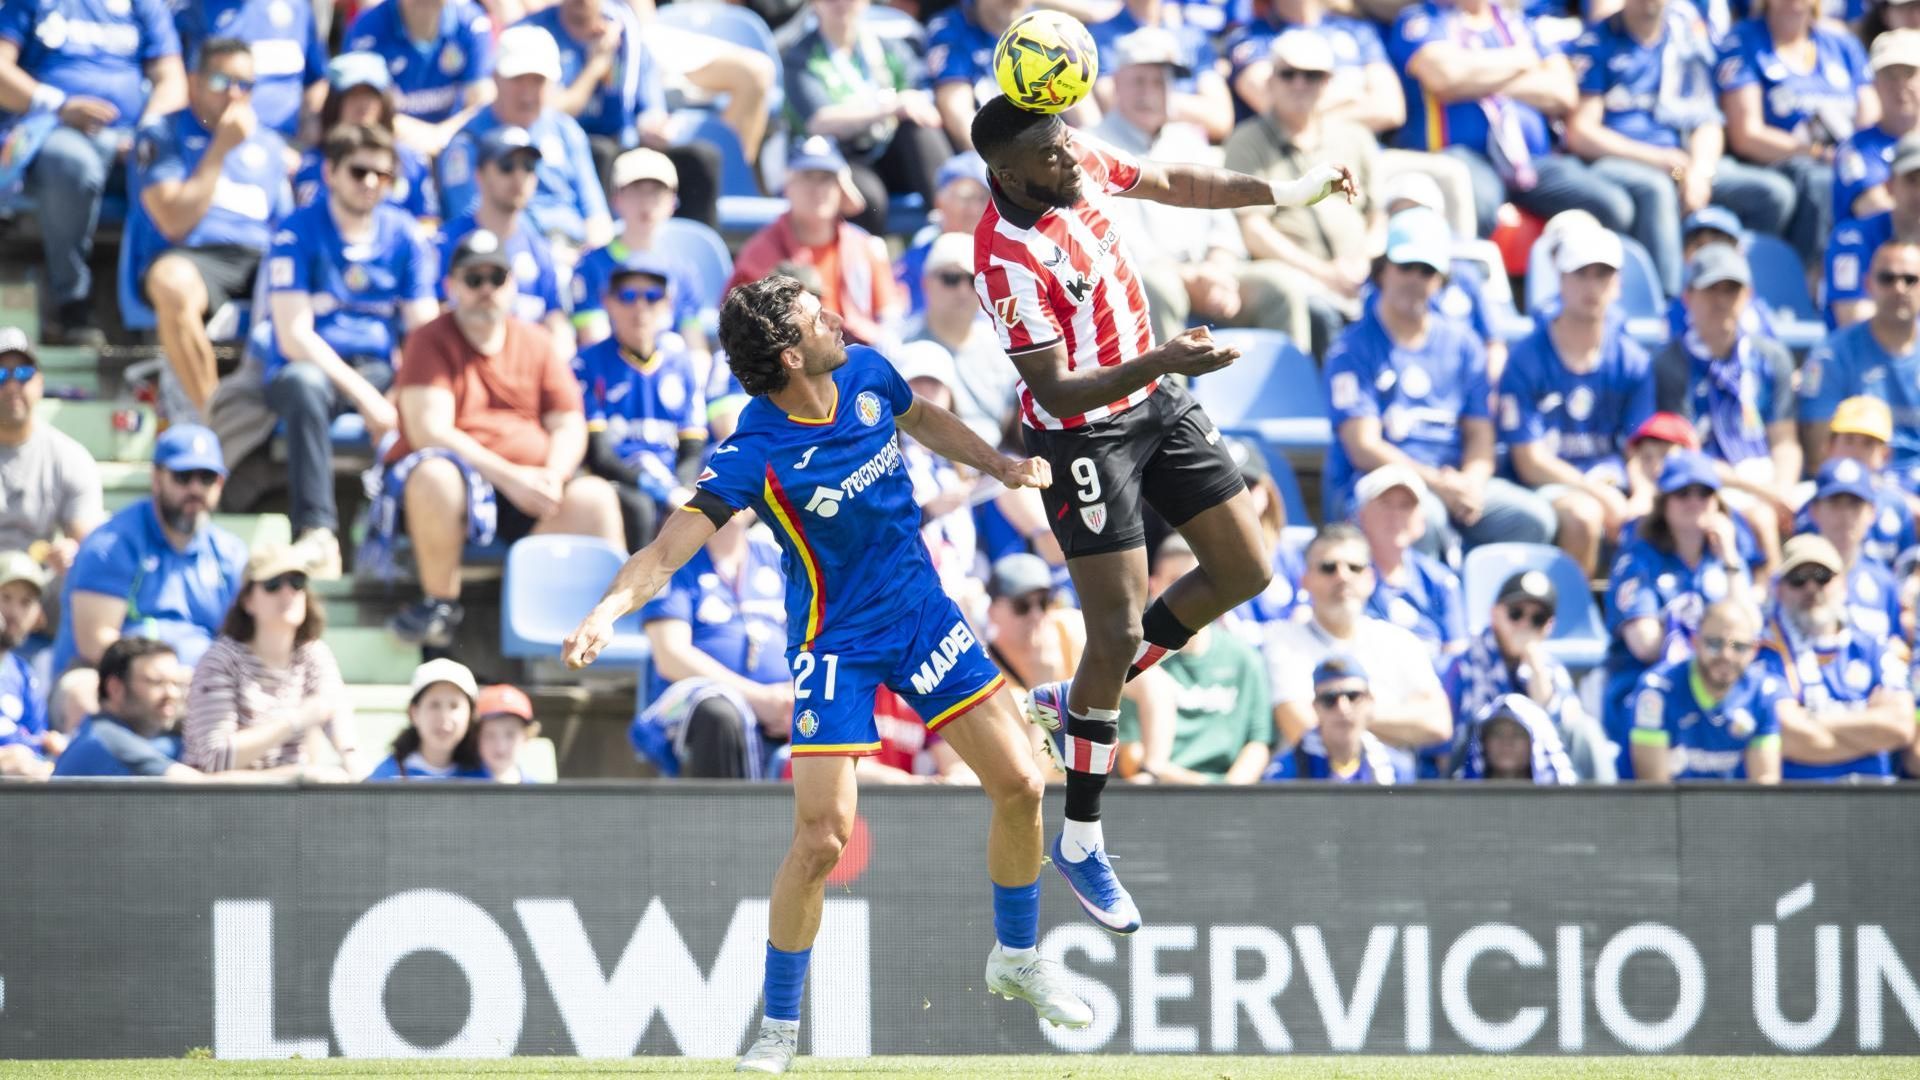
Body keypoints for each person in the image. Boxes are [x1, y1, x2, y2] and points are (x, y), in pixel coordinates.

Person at [565, 274, 1094, 1073]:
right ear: (789, 353)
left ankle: (1016, 959)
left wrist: (1003, 466)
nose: (838, 321)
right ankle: (777, 1032)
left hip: (922, 615)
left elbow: (927, 421)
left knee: (1022, 785)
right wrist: (609, 610)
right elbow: (670, 547)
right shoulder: (754, 453)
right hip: (834, 644)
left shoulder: (868, 370)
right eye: (819, 318)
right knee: (821, 839)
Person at [968, 91, 1356, 934]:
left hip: (1160, 400)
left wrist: (1291, 195)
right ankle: (1080, 837)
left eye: (1068, 136)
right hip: (1084, 439)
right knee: (1111, 637)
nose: (1072, 153)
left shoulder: (1077, 162)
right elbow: (1055, 389)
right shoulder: (1003, 257)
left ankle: (1075, 703)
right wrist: (1166, 355)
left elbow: (1179, 180)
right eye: (1050, 149)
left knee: (1248, 570)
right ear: (1009, 172)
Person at [370, 230, 624, 647]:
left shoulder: (538, 342)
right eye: (474, 279)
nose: (486, 289)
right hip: (457, 492)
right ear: (451, 286)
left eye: (497, 278)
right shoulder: (428, 339)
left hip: (531, 494)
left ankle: (602, 625)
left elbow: (569, 422)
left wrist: (554, 477)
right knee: (436, 472)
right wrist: (511, 477)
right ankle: (440, 603)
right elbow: (428, 431)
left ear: (512, 286)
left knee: (595, 497)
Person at [264, 123, 441, 580]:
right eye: (359, 171)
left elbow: (423, 333)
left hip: (380, 369)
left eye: (382, 176)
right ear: (330, 173)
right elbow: (293, 336)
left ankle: (392, 539)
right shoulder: (297, 230)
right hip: (314, 367)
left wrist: (401, 392)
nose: (369, 183)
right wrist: (369, 399)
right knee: (302, 384)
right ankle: (317, 532)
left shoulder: (404, 234)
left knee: (429, 400)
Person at [1326, 207, 1558, 552]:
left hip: (1453, 480)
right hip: (1381, 482)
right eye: (1405, 267)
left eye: (1427, 270)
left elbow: (1481, 434)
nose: (1415, 279)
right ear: (1382, 270)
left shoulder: (1464, 343)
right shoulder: (1351, 348)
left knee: (1534, 519)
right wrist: (1438, 485)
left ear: (1441, 280)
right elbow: (1363, 448)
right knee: (1423, 518)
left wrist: (1471, 483)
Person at [1565, 0, 1790, 296]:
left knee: (1773, 194)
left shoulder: (1686, 39)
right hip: (1621, 160)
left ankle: (1753, 300)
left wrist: (1700, 172)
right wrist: (1657, 159)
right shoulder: (1598, 40)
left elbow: (1708, 122)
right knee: (1657, 190)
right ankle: (1671, 302)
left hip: (1685, 163)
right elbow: (1581, 133)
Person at [0, 0, 185, 347]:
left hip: (129, 137)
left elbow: (172, 79)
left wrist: (148, 129)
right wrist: (59, 105)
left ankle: (157, 306)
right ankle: (73, 302)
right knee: (75, 166)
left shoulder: (142, 6)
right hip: (53, 128)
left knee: (170, 169)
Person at [1099, 30, 1299, 351]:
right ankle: (1167, 401)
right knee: (1156, 288)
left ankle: (1289, 400)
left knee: (1280, 287)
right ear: (1117, 85)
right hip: (1149, 278)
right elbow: (1110, 245)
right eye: (1139, 81)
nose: (1149, 92)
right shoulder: (1095, 147)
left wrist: (1217, 270)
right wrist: (1189, 276)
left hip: (1209, 274)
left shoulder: (1189, 141)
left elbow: (1223, 224)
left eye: (1160, 82)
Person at [136, 38, 293, 420]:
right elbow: (172, 221)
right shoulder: (163, 135)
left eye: (246, 84)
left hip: (261, 259)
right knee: (170, 282)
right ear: (194, 82)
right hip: (198, 256)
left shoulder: (272, 147)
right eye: (223, 81)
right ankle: (215, 420)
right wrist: (220, 148)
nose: (236, 94)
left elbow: (288, 227)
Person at [1388, 0, 1633, 241]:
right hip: (1462, 157)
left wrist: (1474, 79)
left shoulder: (1518, 24)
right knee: (1478, 207)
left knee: (1613, 205)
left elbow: (1563, 92)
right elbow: (1444, 77)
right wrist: (1523, 59)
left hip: (1531, 162)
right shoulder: (1423, 18)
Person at [1501, 224, 1656, 574]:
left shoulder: (1632, 360)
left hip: (1615, 485)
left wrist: (1644, 497)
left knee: (1662, 514)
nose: (1592, 286)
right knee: (1584, 517)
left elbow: (1641, 447)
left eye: (1602, 274)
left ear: (1617, 283)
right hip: (1551, 484)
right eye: (1581, 274)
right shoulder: (1527, 358)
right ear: (1561, 279)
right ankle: (1574, 616)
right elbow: (1530, 461)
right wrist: (1598, 494)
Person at [1221, 29, 1383, 355]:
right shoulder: (1247, 141)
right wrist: (1323, 274)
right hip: (1300, 277)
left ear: (1328, 83)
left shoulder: (1354, 136)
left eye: (1312, 76)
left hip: (1360, 275)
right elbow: (1253, 231)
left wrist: (1365, 263)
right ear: (1270, 81)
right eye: (1288, 74)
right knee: (1322, 315)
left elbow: (1379, 215)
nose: (1299, 84)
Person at [1602, 449, 1759, 777]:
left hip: (1718, 683)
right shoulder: (1638, 559)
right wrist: (1703, 632)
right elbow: (1644, 645)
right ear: (1663, 503)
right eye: (1682, 493)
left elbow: (1750, 630)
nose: (1694, 501)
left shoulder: (1725, 559)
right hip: (1649, 686)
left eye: (1704, 493)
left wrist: (1730, 557)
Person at [50, 425, 247, 676]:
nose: (195, 489)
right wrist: (171, 678)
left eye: (206, 477)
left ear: (220, 483)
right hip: (115, 684)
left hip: (200, 688)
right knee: (81, 690)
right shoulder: (111, 544)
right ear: (156, 479)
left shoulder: (229, 553)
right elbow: (95, 643)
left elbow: (243, 638)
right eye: (183, 477)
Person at [1655, 243, 1802, 561]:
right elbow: (1685, 453)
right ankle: (1774, 597)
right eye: (1710, 290)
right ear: (1688, 297)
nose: (1721, 301)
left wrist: (1783, 489)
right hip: (1704, 484)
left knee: (1833, 506)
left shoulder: (1771, 357)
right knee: (1760, 519)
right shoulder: (1671, 364)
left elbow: (1785, 441)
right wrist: (1765, 495)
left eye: (1731, 290)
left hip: (1768, 477)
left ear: (1747, 296)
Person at [519, 0, 721, 229]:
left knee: (700, 158)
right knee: (599, 152)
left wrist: (655, 126)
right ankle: (605, 252)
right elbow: (551, 111)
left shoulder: (626, 31)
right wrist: (595, 66)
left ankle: (695, 252)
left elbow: (649, 104)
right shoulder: (537, 33)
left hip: (626, 142)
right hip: (572, 148)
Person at [1267, 525, 1453, 761]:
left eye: (1355, 567)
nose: (1342, 576)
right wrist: (1398, 722)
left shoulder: (1400, 640)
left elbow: (1438, 723)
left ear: (1371, 579)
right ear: (1305, 580)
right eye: (1328, 568)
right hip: (1316, 789)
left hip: (1394, 790)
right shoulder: (1282, 640)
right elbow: (1301, 727)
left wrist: (1344, 717)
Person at [632, 511, 793, 779]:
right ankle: (723, 820)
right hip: (691, 701)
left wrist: (792, 698)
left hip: (781, 703)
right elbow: (670, 656)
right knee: (720, 715)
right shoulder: (672, 561)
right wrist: (758, 699)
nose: (734, 501)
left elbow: (814, 640)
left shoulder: (778, 559)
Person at [1716, 0, 1875, 267]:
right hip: (1778, 164)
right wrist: (1813, 152)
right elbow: (1746, 135)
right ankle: (1808, 278)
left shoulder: (1841, 44)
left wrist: (1850, 157)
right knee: (1819, 180)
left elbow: (1870, 117)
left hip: (1846, 159)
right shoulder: (1744, 41)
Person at [182, 543, 359, 777]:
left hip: (294, 802)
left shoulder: (313, 654)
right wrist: (296, 721)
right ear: (248, 601)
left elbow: (339, 722)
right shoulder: (220, 659)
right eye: (272, 584)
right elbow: (215, 759)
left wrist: (353, 760)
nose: (287, 593)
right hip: (222, 805)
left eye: (297, 583)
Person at [782, 0, 952, 238]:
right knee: (866, 199)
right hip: (841, 156)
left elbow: (920, 101)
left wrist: (909, 106)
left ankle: (951, 220)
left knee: (920, 131)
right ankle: (867, 266)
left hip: (889, 150)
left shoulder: (888, 48)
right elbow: (819, 120)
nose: (840, 3)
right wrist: (888, 108)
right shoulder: (800, 56)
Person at [1757, 534, 1918, 780]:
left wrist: (1810, 720)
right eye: (1798, 579)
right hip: (1799, 804)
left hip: (1875, 802)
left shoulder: (1874, 646)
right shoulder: (1767, 649)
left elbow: (1901, 726)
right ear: (1779, 590)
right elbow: (1786, 736)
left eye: (1822, 577)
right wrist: (1870, 728)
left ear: (1843, 584)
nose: (1811, 588)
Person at [437, 24, 612, 250]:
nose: (527, 92)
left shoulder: (566, 130)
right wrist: (542, 254)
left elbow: (595, 212)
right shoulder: (467, 143)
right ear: (496, 77)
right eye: (518, 79)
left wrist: (591, 258)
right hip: (506, 255)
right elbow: (472, 219)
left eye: (538, 80)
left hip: (575, 250)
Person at [575, 253, 708, 549]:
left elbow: (691, 447)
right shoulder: (587, 363)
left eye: (652, 296)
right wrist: (660, 490)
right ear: (607, 301)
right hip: (618, 481)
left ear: (668, 304)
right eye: (627, 295)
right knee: (640, 507)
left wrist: (681, 489)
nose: (640, 307)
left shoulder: (682, 363)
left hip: (671, 480)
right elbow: (598, 456)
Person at [1118, 535, 1273, 784]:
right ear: (1153, 586)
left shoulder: (1244, 658)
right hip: (1158, 794)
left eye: (1195, 583)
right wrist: (1200, 788)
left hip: (1231, 798)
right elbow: (1130, 754)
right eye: (1176, 583)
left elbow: (1258, 743)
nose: (1186, 594)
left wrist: (1228, 792)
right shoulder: (1137, 658)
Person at [726, 136, 901, 349]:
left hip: (858, 361)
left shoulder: (864, 246)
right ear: (788, 185)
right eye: (808, 176)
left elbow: (890, 321)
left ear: (840, 187)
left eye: (826, 178)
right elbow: (741, 330)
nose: (817, 189)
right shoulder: (760, 252)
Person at [1445, 568, 1615, 781]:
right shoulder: (1463, 664)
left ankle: (1602, 808)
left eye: (1537, 619)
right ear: (1495, 613)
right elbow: (1449, 742)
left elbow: (1559, 733)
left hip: (1535, 775)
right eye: (1516, 613)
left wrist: (1534, 666)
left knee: (1585, 731)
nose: (1525, 625)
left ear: (1549, 626)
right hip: (1473, 774)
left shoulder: (1550, 668)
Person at [436, 125, 574, 354]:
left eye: (528, 167)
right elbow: (434, 318)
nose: (519, 177)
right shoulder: (447, 243)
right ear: (479, 175)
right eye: (506, 166)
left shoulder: (540, 250)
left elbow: (555, 319)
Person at [1802, 240, 1920, 491]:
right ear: (1868, 284)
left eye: (1910, 279)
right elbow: (1820, 454)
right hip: (1859, 489)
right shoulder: (1832, 355)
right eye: (1887, 278)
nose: (1899, 288)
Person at [1628, 599, 1788, 783]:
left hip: (1733, 808)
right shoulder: (1657, 690)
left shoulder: (1762, 693)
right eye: (1714, 643)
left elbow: (1765, 782)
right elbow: (1655, 788)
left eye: (1739, 647)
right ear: (1695, 642)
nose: (1726, 655)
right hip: (1668, 808)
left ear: (1754, 650)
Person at [572, 148, 708, 351]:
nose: (646, 203)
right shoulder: (591, 265)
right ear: (617, 199)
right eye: (636, 190)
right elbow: (594, 342)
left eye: (656, 192)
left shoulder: (684, 270)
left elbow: (695, 347)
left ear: (672, 203)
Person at [0, 329, 104, 570]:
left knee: (81, 571)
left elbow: (89, 543)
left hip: (37, 590)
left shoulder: (69, 457)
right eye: (1, 374)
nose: (13, 385)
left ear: (40, 382)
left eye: (24, 374)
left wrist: (72, 553)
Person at [902, 233, 1019, 444]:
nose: (963, 291)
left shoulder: (1001, 345)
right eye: (951, 279)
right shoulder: (898, 344)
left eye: (973, 281)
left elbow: (1013, 424)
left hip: (997, 465)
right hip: (926, 465)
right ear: (926, 283)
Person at [292, 53, 437, 221]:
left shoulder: (411, 160)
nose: (363, 105)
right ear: (335, 102)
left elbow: (428, 223)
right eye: (353, 95)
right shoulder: (314, 163)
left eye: (371, 95)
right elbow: (313, 222)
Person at [344, 0, 496, 156]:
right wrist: (429, 138)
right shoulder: (368, 27)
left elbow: (482, 104)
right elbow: (360, 111)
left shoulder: (472, 22)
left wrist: (442, 136)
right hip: (391, 146)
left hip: (455, 142)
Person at [1353, 465, 1466, 665]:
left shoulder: (1440, 579)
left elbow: (1456, 653)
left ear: (1421, 520)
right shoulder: (1344, 574)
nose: (1395, 515)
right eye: (1385, 504)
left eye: (1406, 505)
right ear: (1362, 515)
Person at [172, 0, 326, 141]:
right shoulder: (194, 8)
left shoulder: (298, 6)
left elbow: (316, 78)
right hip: (217, 145)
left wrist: (310, 121)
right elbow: (184, 83)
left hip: (291, 145)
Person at [1792, 396, 1915, 565]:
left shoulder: (1896, 507)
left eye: (1868, 444)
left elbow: (1907, 567)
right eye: (1848, 440)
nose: (1856, 451)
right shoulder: (1807, 503)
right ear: (1829, 445)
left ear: (1885, 454)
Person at [1801, 457, 1906, 640]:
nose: (1845, 516)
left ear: (1872, 512)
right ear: (1814, 510)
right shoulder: (1795, 578)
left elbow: (1894, 644)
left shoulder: (1883, 582)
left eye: (1855, 504)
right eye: (1835, 503)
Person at [51, 638, 188, 778]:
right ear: (115, 688)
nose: (173, 694)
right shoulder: (107, 738)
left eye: (176, 684)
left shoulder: (102, 731)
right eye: (156, 682)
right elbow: (200, 788)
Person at [1826, 137, 1920, 326]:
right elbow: (1852, 316)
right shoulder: (1851, 238)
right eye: (1911, 181)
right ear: (1890, 186)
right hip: (1860, 353)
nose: (1919, 193)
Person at [1264, 653, 1401, 783]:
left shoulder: (1396, 769)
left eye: (1353, 696)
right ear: (1315, 707)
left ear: (1370, 701)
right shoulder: (1284, 772)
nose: (1343, 708)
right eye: (1329, 699)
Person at [1835, 29, 1920, 223]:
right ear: (1874, 83)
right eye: (1890, 75)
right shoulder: (1855, 150)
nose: (1900, 85)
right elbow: (1874, 206)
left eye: (1908, 73)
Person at [926, 0, 1033, 152]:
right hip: (991, 151)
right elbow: (957, 109)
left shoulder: (1040, 26)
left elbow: (1074, 105)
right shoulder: (951, 26)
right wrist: (1003, 161)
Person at [898, 153, 992, 317]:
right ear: (939, 201)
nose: (975, 209)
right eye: (966, 197)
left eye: (984, 198)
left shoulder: (1007, 253)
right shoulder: (923, 253)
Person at [366, 657, 491, 780]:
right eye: (434, 705)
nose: (444, 717)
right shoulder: (387, 778)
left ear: (471, 715)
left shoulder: (483, 778)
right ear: (413, 713)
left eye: (454, 706)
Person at [0, 552, 58, 774]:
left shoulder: (24, 674)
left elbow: (36, 741)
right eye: (5, 597)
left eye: (26, 602)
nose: (14, 612)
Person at [1453, 694, 1578, 783]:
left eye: (1517, 734)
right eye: (1497, 733)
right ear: (1483, 742)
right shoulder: (1457, 800)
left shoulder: (1562, 802)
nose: (1506, 742)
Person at [475, 682, 543, 783]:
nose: (500, 746)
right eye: (490, 735)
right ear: (477, 737)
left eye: (510, 735)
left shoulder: (537, 791)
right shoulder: (460, 783)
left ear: (526, 737)